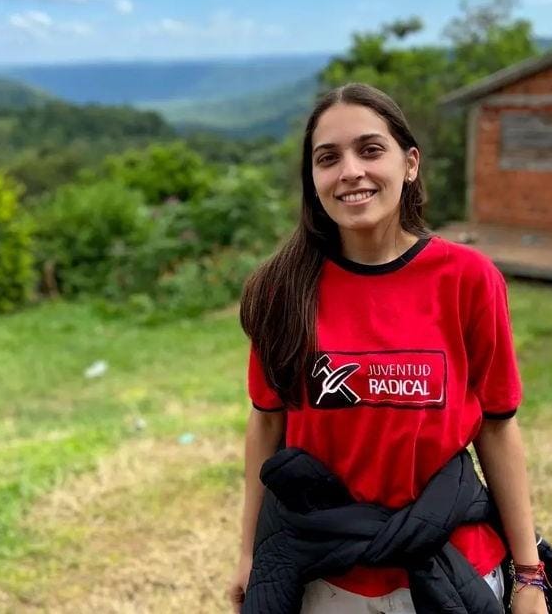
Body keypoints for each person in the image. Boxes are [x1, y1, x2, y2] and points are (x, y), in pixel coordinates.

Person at [228, 83, 547, 613]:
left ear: (410, 163)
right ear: (313, 179)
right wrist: (248, 554)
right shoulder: (282, 289)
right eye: (328, 158)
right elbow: (266, 422)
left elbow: (496, 426)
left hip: (454, 566)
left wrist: (530, 576)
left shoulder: (468, 279)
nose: (350, 171)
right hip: (326, 576)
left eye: (370, 150)